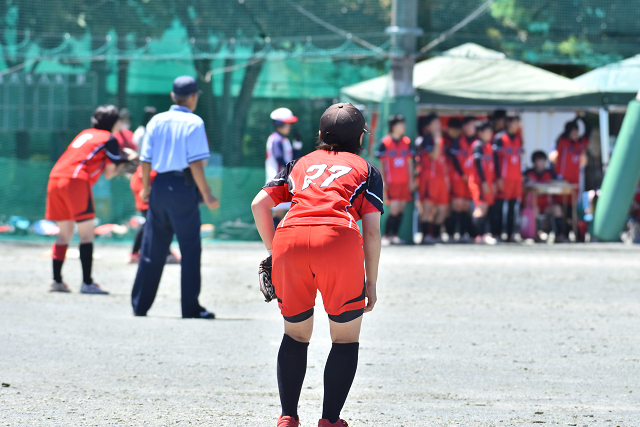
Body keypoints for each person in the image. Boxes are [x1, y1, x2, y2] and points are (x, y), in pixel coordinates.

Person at [251, 102, 382, 427]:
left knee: (295, 335)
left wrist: (273, 251)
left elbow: (259, 204)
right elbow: (372, 233)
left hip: (291, 239)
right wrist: (372, 283)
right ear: (360, 137)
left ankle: (288, 417)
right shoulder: (366, 169)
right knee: (345, 339)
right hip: (338, 241)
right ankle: (329, 420)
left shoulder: (299, 163)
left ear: (321, 134)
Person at [131, 76, 220, 319]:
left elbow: (146, 158)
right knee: (190, 248)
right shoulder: (194, 122)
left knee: (152, 247)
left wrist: (146, 187)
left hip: (159, 185)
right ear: (194, 97)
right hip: (183, 187)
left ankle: (140, 305)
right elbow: (194, 162)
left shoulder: (156, 120)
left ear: (172, 96)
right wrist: (207, 193)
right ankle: (190, 308)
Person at [45, 105, 126, 294]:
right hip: (75, 180)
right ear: (113, 122)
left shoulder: (86, 133)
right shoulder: (110, 138)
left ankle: (56, 281)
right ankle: (87, 283)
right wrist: (122, 163)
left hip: (55, 178)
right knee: (87, 234)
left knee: (64, 233)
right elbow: (109, 173)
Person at [376, 114, 414, 244]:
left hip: (404, 182)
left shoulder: (407, 142)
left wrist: (411, 180)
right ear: (393, 126)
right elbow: (381, 163)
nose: (403, 126)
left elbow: (410, 162)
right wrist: (383, 181)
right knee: (394, 209)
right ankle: (386, 235)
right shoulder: (385, 142)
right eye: (400, 124)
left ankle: (396, 235)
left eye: (404, 123)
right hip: (391, 182)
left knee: (401, 208)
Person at [415, 113, 449, 244]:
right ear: (428, 127)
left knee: (443, 208)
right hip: (429, 178)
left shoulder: (441, 139)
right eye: (435, 123)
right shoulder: (427, 139)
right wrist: (437, 140)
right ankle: (425, 235)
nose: (438, 126)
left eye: (438, 123)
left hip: (441, 179)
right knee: (427, 208)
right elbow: (434, 155)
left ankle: (435, 234)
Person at [492, 112, 523, 242]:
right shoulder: (500, 138)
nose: (516, 125)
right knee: (499, 207)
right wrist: (498, 177)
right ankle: (497, 233)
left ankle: (510, 234)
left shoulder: (518, 138)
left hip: (516, 178)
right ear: (507, 123)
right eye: (514, 122)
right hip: (504, 178)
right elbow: (495, 159)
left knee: (513, 207)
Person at [266, 108, 299, 228]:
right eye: (287, 124)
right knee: (279, 212)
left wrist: (297, 144)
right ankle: (274, 240)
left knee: (282, 212)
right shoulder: (275, 139)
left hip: (284, 181)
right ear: (278, 124)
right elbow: (279, 157)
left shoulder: (283, 140)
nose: (289, 127)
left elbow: (292, 158)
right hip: (278, 181)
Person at [523, 151, 565, 242]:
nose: (542, 163)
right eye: (539, 161)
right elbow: (522, 183)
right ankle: (536, 235)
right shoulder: (528, 173)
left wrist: (553, 183)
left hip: (546, 204)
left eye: (543, 161)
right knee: (535, 210)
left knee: (557, 209)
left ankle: (559, 235)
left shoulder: (550, 173)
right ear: (534, 162)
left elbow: (560, 181)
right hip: (534, 204)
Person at [468, 122, 498, 244]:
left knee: (485, 208)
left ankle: (482, 234)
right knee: (480, 207)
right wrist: (484, 182)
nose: (490, 134)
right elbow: (478, 165)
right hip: (479, 182)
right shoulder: (478, 146)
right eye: (487, 131)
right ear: (480, 133)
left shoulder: (488, 146)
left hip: (487, 182)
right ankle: (477, 235)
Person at [445, 117, 474, 242]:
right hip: (458, 177)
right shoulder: (458, 141)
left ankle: (463, 233)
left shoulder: (476, 141)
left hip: (470, 178)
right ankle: (451, 234)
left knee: (466, 206)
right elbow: (454, 159)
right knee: (457, 205)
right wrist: (462, 174)